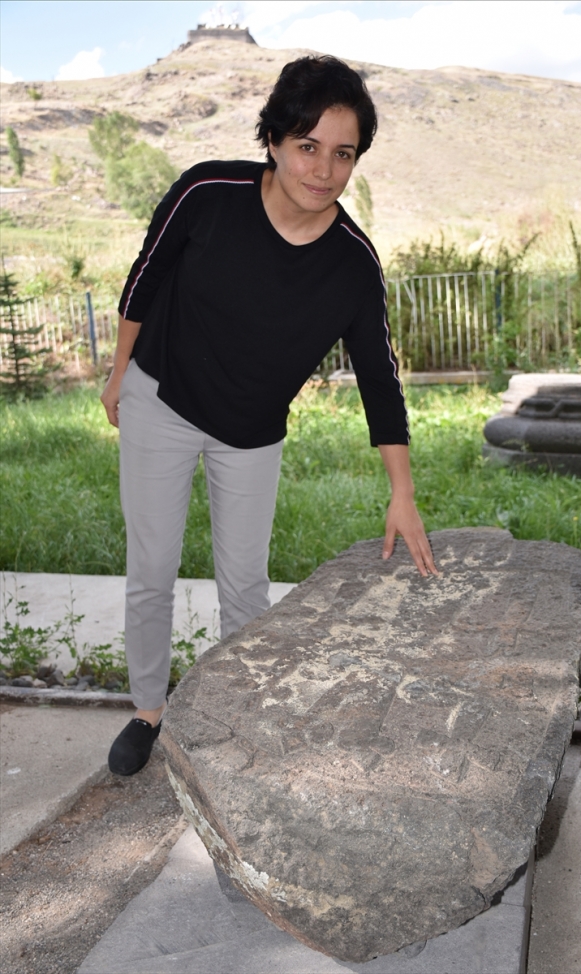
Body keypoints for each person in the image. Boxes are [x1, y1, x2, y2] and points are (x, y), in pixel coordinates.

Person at [102, 55, 438, 777]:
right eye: (307, 145)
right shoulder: (206, 193)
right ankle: (148, 711)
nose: (323, 169)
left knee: (245, 587)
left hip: (251, 432)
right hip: (162, 399)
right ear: (275, 140)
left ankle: (239, 718)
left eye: (343, 153)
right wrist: (119, 372)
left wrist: (402, 491)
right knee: (152, 568)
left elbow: (379, 378)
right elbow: (144, 280)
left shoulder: (353, 264)